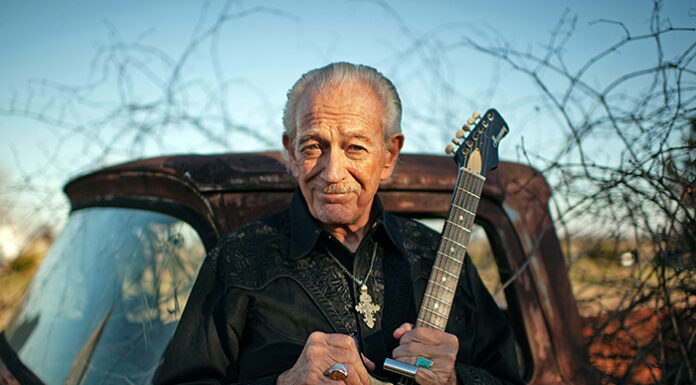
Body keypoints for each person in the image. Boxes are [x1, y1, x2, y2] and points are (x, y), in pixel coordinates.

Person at [153, 62, 522, 385]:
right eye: (313, 146)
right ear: (291, 152)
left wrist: (454, 379)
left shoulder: (439, 256)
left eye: (355, 148)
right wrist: (285, 383)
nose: (332, 173)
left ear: (389, 155)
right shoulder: (236, 259)